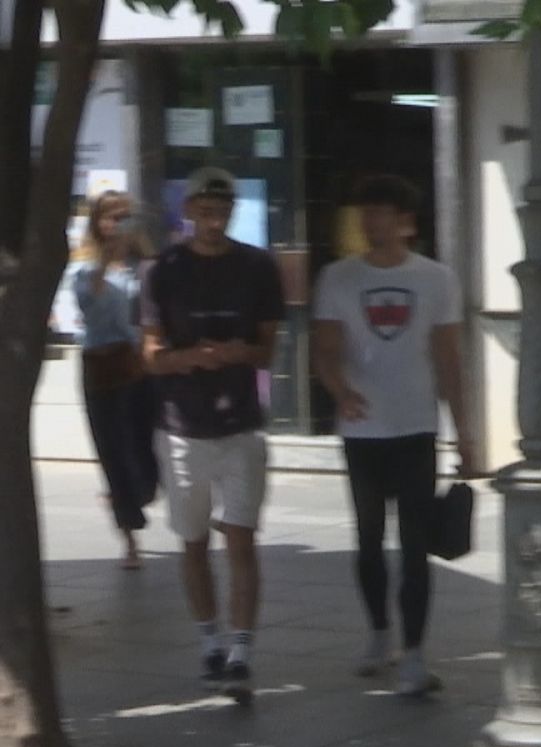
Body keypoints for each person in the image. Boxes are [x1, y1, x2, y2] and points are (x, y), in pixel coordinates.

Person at [311, 174, 476, 697]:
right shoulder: (338, 277)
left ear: (405, 222)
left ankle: (415, 654)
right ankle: (379, 632)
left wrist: (464, 431)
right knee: (366, 539)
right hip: (363, 429)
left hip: (416, 425)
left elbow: (448, 357)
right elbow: (323, 347)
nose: (370, 221)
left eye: (381, 211)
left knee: (414, 545)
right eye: (366, 211)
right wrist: (340, 390)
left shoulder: (436, 279)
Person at [141, 167, 285, 699]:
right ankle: (209, 641)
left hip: (241, 422)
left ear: (231, 211)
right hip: (181, 425)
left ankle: (242, 648)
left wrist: (239, 353)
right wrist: (190, 358)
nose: (212, 217)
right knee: (193, 540)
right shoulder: (162, 270)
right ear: (188, 210)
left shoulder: (257, 266)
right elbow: (150, 356)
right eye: (203, 208)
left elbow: (268, 348)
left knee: (242, 537)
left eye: (221, 208)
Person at [73, 190, 160, 569]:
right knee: (113, 453)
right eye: (109, 217)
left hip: (142, 367)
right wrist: (106, 262)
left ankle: (130, 497)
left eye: (123, 217)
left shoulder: (145, 267)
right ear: (96, 223)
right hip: (103, 368)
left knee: (147, 454)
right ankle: (130, 540)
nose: (116, 225)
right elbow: (87, 306)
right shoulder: (85, 268)